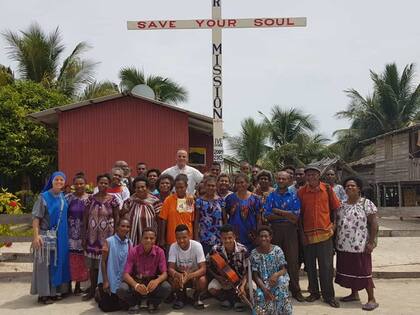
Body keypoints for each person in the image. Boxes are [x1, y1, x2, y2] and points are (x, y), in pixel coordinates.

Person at [297, 165, 341, 308]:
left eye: (314, 174)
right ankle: (314, 292)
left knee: (326, 267)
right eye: (308, 175)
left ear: (318, 175)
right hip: (308, 236)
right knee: (310, 266)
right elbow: (299, 216)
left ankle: (329, 296)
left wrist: (333, 225)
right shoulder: (301, 192)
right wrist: (302, 234)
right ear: (305, 176)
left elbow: (335, 209)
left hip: (325, 235)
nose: (311, 177)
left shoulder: (327, 189)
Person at [335, 177, 379, 311]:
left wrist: (371, 242)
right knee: (350, 270)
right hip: (343, 245)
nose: (349, 188)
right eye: (347, 186)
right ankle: (354, 294)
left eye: (352, 186)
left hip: (360, 246)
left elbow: (374, 224)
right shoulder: (341, 204)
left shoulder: (366, 203)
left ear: (359, 188)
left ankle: (372, 299)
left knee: (364, 272)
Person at [31, 171, 71, 304]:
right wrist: (36, 237)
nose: (59, 182)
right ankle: (44, 294)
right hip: (45, 235)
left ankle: (54, 292)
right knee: (44, 264)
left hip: (61, 237)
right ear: (52, 181)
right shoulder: (43, 197)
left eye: (62, 180)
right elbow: (36, 218)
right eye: (56, 180)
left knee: (56, 263)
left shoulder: (63, 197)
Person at [264, 171, 304, 302]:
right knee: (274, 261)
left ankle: (296, 290)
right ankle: (273, 290)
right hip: (275, 230)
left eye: (284, 179)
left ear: (289, 180)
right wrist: (287, 214)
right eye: (279, 178)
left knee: (292, 261)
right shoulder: (271, 196)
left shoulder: (294, 196)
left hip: (290, 231)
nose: (281, 180)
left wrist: (278, 211)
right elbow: (268, 215)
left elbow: (295, 218)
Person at [82, 173, 120, 301]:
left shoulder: (113, 199)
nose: (103, 185)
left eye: (106, 183)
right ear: (97, 183)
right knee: (92, 267)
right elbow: (85, 218)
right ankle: (92, 290)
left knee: (106, 265)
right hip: (92, 239)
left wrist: (116, 237)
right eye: (101, 182)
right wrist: (83, 237)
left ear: (109, 185)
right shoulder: (90, 199)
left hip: (108, 238)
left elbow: (117, 218)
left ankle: (104, 290)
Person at [118, 227, 171, 314]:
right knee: (121, 289)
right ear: (141, 239)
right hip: (137, 280)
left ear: (155, 240)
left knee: (167, 287)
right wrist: (136, 285)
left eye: (151, 238)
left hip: (152, 282)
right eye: (146, 238)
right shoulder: (133, 251)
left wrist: (156, 281)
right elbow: (126, 274)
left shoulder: (160, 252)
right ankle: (134, 303)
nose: (148, 240)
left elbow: (164, 273)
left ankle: (152, 303)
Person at [250, 226, 292, 315]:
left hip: (276, 280)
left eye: (266, 236)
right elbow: (256, 275)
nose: (263, 238)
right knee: (259, 296)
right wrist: (265, 290)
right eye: (261, 236)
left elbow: (284, 269)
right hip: (262, 283)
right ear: (258, 238)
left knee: (281, 285)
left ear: (270, 237)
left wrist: (276, 275)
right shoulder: (254, 253)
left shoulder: (277, 250)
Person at [207, 224, 249, 311]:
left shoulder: (243, 250)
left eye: (230, 237)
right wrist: (217, 277)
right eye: (224, 238)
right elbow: (207, 265)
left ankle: (237, 298)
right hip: (224, 280)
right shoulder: (215, 249)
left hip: (240, 280)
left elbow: (248, 270)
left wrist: (243, 285)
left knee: (251, 288)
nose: (227, 240)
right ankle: (227, 298)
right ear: (221, 238)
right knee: (212, 288)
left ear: (234, 237)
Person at [168, 224, 207, 310]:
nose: (181, 240)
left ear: (189, 235)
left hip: (194, 273)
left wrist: (189, 276)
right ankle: (181, 297)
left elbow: (203, 269)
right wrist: (179, 275)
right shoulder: (173, 247)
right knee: (173, 280)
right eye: (178, 238)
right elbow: (170, 268)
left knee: (202, 280)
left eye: (184, 237)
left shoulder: (197, 246)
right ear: (175, 237)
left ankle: (196, 297)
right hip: (180, 274)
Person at [96, 219, 131, 312]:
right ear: (117, 227)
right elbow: (103, 262)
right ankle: (99, 294)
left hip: (121, 280)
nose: (125, 228)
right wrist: (106, 281)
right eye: (122, 226)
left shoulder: (129, 243)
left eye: (127, 227)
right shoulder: (109, 241)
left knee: (126, 306)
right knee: (106, 308)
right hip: (109, 279)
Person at [224, 174, 262, 251]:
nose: (240, 185)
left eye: (242, 182)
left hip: (251, 234)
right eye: (237, 183)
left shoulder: (255, 199)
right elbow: (224, 215)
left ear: (247, 183)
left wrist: (258, 234)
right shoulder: (230, 198)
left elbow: (259, 218)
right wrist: (226, 231)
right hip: (234, 234)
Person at [121, 176, 162, 246]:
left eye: (143, 187)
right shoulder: (129, 201)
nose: (140, 189)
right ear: (135, 189)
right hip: (132, 238)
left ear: (147, 188)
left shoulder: (155, 202)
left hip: (149, 238)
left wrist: (160, 238)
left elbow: (160, 221)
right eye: (138, 187)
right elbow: (122, 215)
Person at [66, 173, 89, 295]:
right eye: (77, 183)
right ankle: (68, 286)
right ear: (73, 185)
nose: (79, 185)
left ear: (86, 184)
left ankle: (79, 286)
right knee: (70, 260)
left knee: (81, 260)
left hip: (83, 235)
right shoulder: (68, 198)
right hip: (69, 234)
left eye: (81, 183)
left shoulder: (90, 199)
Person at [159, 174, 195, 250]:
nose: (179, 190)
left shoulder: (190, 200)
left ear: (186, 186)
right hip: (172, 239)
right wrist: (162, 239)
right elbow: (163, 220)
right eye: (177, 188)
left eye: (182, 187)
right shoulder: (168, 200)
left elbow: (193, 221)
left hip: (188, 239)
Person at [195, 175, 224, 255]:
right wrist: (196, 237)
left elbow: (224, 218)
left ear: (216, 187)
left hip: (218, 236)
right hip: (204, 236)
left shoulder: (221, 201)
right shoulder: (199, 201)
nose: (211, 187)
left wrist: (224, 235)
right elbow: (196, 220)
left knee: (218, 261)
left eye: (213, 186)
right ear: (204, 186)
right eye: (208, 185)